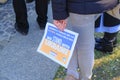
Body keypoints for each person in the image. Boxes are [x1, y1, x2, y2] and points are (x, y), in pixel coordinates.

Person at [51, 0, 118, 80]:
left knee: (82, 45)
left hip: (80, 6)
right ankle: (75, 75)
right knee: (81, 43)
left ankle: (77, 76)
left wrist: (59, 13)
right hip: (102, 3)